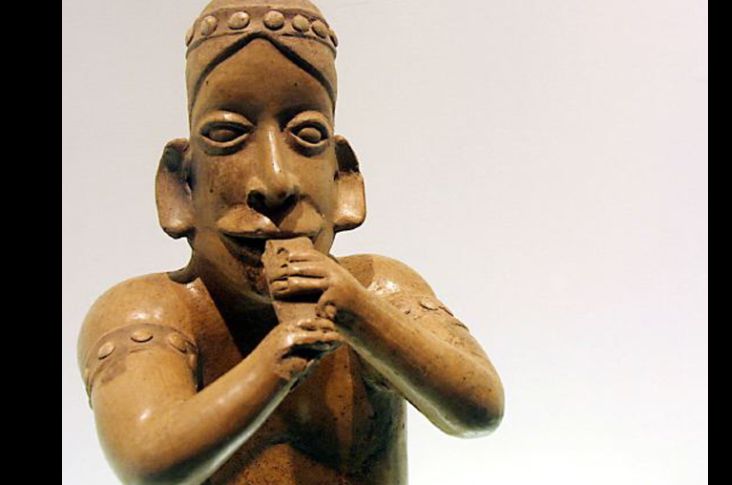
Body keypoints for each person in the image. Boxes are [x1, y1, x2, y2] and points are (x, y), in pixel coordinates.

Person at [78, 1, 504, 483]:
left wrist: (358, 314)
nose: (275, 181)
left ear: (344, 182)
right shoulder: (148, 312)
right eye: (227, 134)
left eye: (306, 135)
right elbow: (148, 463)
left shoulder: (376, 287)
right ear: (179, 187)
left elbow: (478, 410)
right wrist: (282, 356)